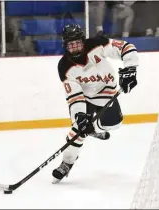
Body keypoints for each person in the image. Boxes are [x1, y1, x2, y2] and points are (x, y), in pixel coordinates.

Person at [52, 24, 139, 183]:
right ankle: (67, 163)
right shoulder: (64, 66)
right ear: (65, 45)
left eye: (78, 42)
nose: (75, 47)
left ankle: (94, 129)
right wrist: (79, 115)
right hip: (84, 98)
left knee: (115, 123)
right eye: (71, 45)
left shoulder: (97, 44)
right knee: (79, 129)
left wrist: (131, 68)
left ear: (83, 41)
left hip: (106, 94)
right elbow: (74, 95)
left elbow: (126, 47)